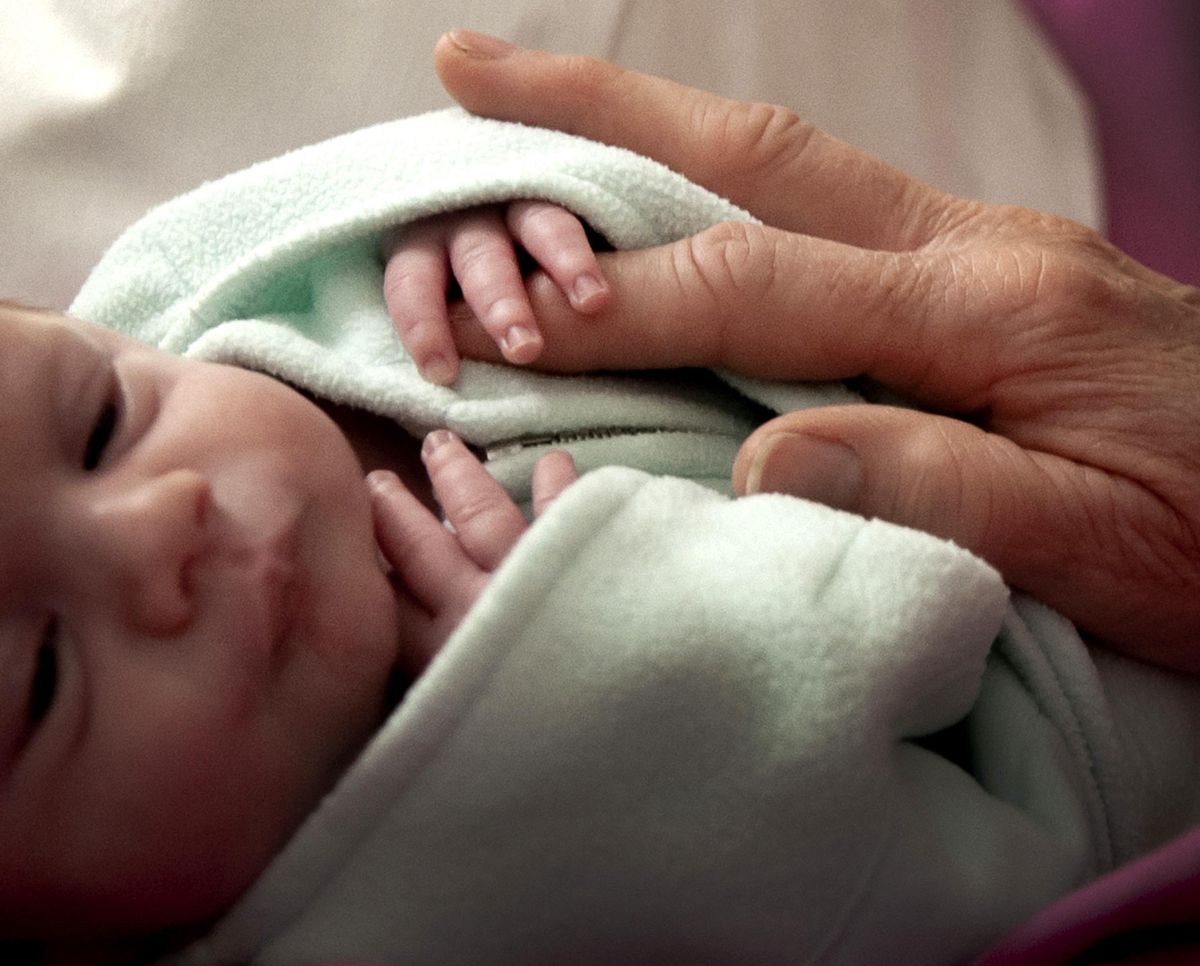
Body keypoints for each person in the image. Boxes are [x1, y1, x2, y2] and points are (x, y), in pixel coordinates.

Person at [4, 35, 1199, 966]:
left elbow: (338, 198)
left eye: (101, 424)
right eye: (45, 677)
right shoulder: (395, 920)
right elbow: (900, 881)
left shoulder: (233, 303)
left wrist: (502, 211)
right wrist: (573, 693)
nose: (160, 525)